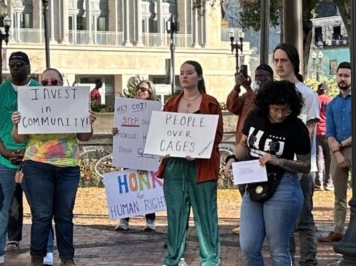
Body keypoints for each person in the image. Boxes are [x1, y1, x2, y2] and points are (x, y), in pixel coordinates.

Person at [12, 68, 97, 266]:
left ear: (62, 83)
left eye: (54, 82)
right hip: (37, 165)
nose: (49, 86)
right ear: (39, 85)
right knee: (41, 215)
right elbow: (19, 138)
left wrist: (89, 123)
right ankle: (37, 258)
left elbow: (83, 137)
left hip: (68, 166)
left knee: (65, 215)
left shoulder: (73, 103)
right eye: (45, 82)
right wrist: (17, 124)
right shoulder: (30, 102)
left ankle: (67, 258)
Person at [225, 80, 311, 265]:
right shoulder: (255, 116)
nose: (280, 114)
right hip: (254, 181)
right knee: (248, 245)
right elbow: (243, 144)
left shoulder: (296, 127)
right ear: (266, 106)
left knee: (278, 248)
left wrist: (278, 160)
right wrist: (232, 158)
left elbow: (305, 165)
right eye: (275, 109)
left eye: (285, 109)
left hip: (283, 183)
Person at [0, 52, 42, 266]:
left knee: (40, 209)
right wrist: (3, 151)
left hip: (34, 158)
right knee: (1, 207)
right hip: (3, 161)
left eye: (20, 64)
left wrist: (31, 151)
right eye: (12, 65)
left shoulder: (40, 91)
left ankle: (45, 250)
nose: (15, 68)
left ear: (29, 67)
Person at [158, 60, 224, 266]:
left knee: (205, 215)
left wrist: (199, 151)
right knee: (176, 214)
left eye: (189, 72)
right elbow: (162, 132)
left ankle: (210, 260)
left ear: (199, 76)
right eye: (182, 73)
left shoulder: (210, 103)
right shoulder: (170, 104)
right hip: (175, 166)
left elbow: (217, 135)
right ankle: (173, 258)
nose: (184, 76)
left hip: (202, 167)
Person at [272, 43, 320, 266]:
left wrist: (298, 165)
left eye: (284, 61)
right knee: (282, 223)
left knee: (303, 219)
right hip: (275, 165)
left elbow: (309, 132)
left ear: (293, 63)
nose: (280, 65)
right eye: (277, 60)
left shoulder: (307, 94)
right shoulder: (272, 92)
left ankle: (308, 262)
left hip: (300, 166)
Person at [226, 64, 272, 235]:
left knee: (261, 188)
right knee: (243, 187)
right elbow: (231, 106)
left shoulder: (268, 96)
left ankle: (262, 222)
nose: (260, 79)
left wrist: (246, 86)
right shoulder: (247, 96)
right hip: (243, 147)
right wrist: (237, 86)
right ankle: (248, 220)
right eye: (257, 75)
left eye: (263, 76)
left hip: (262, 151)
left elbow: (259, 105)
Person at [115, 79, 158, 232]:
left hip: (147, 153)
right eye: (138, 89)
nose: (140, 91)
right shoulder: (127, 109)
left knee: (148, 186)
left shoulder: (156, 110)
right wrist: (116, 131)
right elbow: (121, 127)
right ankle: (124, 220)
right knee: (128, 185)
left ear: (150, 92)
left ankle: (150, 220)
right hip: (129, 153)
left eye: (143, 89)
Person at [319, 62, 352, 243]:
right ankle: (338, 229)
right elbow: (329, 131)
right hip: (336, 150)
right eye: (340, 75)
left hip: (355, 148)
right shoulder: (332, 104)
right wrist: (337, 151)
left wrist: (340, 145)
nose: (342, 79)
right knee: (339, 195)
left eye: (346, 76)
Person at [315, 83, 332, 191]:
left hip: (317, 131)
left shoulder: (316, 100)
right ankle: (328, 183)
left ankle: (318, 183)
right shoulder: (330, 101)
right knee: (329, 159)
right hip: (328, 132)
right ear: (326, 90)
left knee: (319, 158)